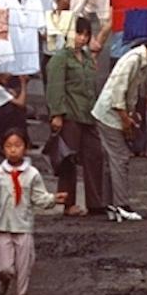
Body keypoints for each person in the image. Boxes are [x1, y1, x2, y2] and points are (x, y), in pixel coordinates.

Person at [0, 128, 67, 295]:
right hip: (2, 225)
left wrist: (53, 199)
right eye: (9, 146)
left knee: (24, 266)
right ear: (3, 149)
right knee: (5, 267)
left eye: (18, 146)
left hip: (23, 226)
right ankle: (4, 279)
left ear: (26, 148)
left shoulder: (32, 174)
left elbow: (39, 197)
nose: (13, 150)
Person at [91, 34, 147, 221]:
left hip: (114, 112)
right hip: (109, 113)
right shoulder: (134, 59)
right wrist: (124, 118)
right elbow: (118, 91)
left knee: (111, 160)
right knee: (120, 157)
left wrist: (132, 112)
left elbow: (132, 90)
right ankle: (122, 205)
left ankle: (111, 205)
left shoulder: (145, 61)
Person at [45, 16, 106, 217]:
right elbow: (55, 87)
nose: (82, 38)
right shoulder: (61, 58)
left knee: (95, 156)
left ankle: (96, 203)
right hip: (70, 114)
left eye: (86, 34)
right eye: (78, 33)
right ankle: (68, 203)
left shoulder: (88, 58)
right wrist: (56, 114)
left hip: (87, 115)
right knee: (68, 160)